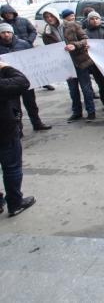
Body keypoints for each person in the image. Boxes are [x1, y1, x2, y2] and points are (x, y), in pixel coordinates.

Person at [0, 61, 36, 216]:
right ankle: (15, 203)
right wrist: (5, 67)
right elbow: (22, 82)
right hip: (4, 130)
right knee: (12, 167)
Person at [44, 15, 96, 122]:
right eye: (46, 17)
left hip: (80, 62)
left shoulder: (71, 25)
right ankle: (77, 112)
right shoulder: (47, 33)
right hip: (65, 65)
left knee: (86, 88)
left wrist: (75, 45)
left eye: (51, 16)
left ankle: (91, 112)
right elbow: (49, 50)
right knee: (72, 89)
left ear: (55, 16)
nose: (49, 18)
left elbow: (85, 39)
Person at [0, 24, 51, 131]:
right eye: (3, 32)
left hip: (26, 79)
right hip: (9, 82)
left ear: (12, 33)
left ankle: (37, 123)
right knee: (14, 107)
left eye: (8, 32)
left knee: (31, 103)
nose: (6, 35)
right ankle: (18, 128)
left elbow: (34, 59)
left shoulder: (23, 44)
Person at [84, 12, 104, 112]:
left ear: (100, 19)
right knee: (102, 84)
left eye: (96, 18)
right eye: (92, 19)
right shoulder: (85, 32)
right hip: (95, 63)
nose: (95, 20)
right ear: (88, 20)